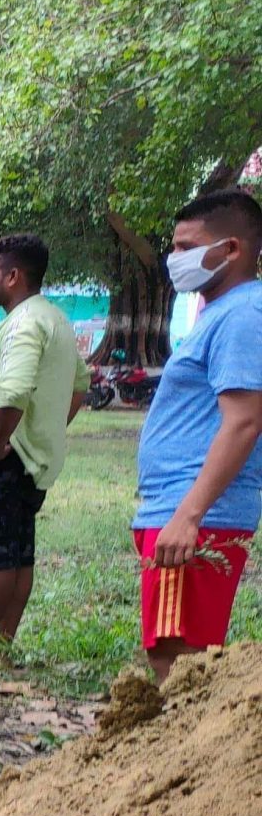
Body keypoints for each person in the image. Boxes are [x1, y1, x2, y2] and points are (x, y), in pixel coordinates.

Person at [133, 188, 262, 681]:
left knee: (178, 661)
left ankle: (182, 759)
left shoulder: (243, 315)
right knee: (175, 651)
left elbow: (245, 421)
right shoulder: (222, 314)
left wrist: (187, 517)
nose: (175, 259)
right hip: (180, 512)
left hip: (194, 518)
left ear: (232, 249)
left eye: (187, 247)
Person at [0, 232, 83, 648]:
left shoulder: (22, 325)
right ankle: (2, 645)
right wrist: (47, 429)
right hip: (34, 462)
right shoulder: (56, 320)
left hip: (7, 461)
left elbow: (12, 392)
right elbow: (79, 387)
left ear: (13, 276)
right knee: (19, 556)